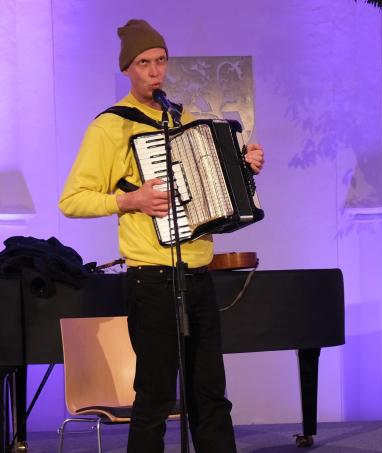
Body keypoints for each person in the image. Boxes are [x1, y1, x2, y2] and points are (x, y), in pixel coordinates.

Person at [59, 19, 264, 453]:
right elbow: (72, 200)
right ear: (127, 69)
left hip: (198, 275)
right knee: (154, 398)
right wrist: (129, 200)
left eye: (161, 60)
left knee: (210, 395)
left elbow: (213, 184)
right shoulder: (110, 127)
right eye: (144, 63)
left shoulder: (184, 120)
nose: (155, 71)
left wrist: (244, 166)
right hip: (151, 280)